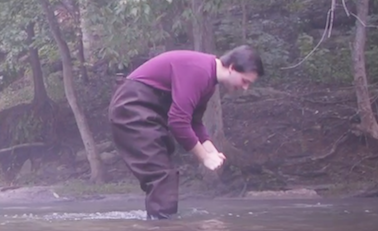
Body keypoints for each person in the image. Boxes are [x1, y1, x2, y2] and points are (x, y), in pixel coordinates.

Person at [109, 45, 263, 219]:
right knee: (162, 176)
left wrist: (211, 151)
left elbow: (194, 122)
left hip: (149, 112)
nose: (245, 88)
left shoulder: (209, 79)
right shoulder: (200, 71)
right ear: (232, 68)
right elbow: (178, 123)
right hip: (132, 107)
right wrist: (204, 157)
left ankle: (161, 228)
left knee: (164, 171)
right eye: (245, 81)